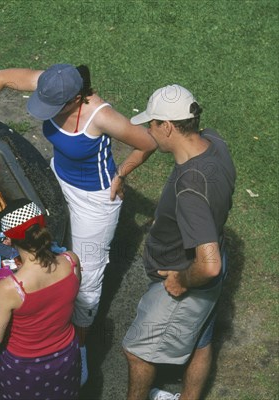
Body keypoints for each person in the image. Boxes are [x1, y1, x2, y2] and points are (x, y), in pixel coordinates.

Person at [0, 63, 157, 384]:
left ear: (76, 98)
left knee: (89, 273)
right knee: (50, 245)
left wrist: (121, 173)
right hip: (58, 179)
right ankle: (51, 305)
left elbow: (148, 142)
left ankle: (78, 346)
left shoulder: (101, 115)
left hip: (95, 201)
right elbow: (1, 78)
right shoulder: (52, 83)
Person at [122, 85, 236, 400]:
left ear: (168, 127)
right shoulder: (215, 142)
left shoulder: (191, 188)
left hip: (186, 272)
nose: (149, 129)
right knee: (201, 340)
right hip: (215, 251)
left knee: (137, 352)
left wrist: (181, 280)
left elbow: (208, 266)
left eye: (152, 123)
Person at [0, 199, 82, 399]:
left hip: (24, 368)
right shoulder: (71, 260)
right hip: (66, 357)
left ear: (9, 240)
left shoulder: (10, 288)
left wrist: (3, 285)